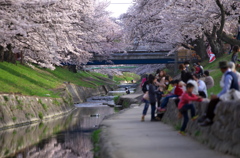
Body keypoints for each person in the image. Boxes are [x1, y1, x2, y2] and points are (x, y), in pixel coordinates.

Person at [199, 61, 239, 126]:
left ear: (222, 68)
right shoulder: (232, 73)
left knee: (213, 100)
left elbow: (226, 89)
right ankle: (207, 116)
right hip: (231, 93)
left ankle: (209, 118)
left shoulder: (228, 75)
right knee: (213, 100)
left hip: (232, 94)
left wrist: (217, 96)